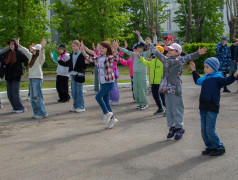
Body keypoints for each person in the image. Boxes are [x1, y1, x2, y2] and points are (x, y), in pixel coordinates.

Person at [147, 41, 207, 140]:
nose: (169, 51)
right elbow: (157, 53)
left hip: (175, 89)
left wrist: (198, 53)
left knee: (177, 108)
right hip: (166, 89)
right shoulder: (165, 60)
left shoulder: (180, 60)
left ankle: (179, 128)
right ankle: (172, 127)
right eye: (168, 50)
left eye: (171, 50)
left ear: (178, 52)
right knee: (169, 109)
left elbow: (189, 57)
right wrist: (149, 45)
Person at [189, 58, 238, 156]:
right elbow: (198, 81)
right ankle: (210, 146)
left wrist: (235, 74)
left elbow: (227, 81)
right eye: (204, 67)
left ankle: (219, 147)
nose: (205, 69)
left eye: (207, 67)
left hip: (212, 107)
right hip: (203, 107)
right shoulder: (206, 77)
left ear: (214, 68)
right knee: (204, 130)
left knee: (210, 130)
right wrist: (194, 70)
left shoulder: (218, 78)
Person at [81, 40, 119, 129]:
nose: (101, 49)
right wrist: (83, 50)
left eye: (103, 48)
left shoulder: (109, 57)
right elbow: (90, 58)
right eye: (100, 48)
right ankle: (112, 119)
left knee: (98, 97)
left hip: (109, 83)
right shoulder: (99, 58)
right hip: (103, 82)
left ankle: (106, 114)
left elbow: (116, 58)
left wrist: (116, 49)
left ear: (107, 49)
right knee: (106, 101)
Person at [17, 38, 48, 119]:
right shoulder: (31, 57)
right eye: (33, 49)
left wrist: (42, 47)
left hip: (37, 78)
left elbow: (42, 54)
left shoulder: (40, 58)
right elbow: (26, 51)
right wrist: (19, 45)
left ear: (38, 51)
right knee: (32, 97)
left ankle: (42, 113)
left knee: (37, 96)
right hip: (31, 78)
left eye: (34, 50)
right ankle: (36, 112)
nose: (32, 50)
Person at [120, 41, 152, 110]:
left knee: (142, 89)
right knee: (136, 89)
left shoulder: (146, 54)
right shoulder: (134, 54)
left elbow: (152, 49)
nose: (138, 49)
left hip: (142, 74)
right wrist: (119, 48)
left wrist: (149, 43)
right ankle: (140, 103)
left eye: (140, 47)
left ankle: (145, 103)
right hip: (135, 74)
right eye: (137, 47)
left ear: (143, 48)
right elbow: (127, 52)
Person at [58, 40, 87, 113]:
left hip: (79, 75)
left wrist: (82, 69)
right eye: (72, 46)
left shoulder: (82, 54)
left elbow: (85, 64)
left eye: (74, 46)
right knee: (73, 91)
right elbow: (67, 64)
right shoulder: (71, 55)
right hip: (73, 75)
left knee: (79, 91)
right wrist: (59, 61)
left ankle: (81, 106)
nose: (73, 48)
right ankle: (75, 105)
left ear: (78, 46)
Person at [0, 39, 28, 113]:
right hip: (8, 76)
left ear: (15, 45)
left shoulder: (19, 53)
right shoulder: (6, 54)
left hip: (16, 76)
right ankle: (15, 107)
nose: (11, 46)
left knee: (15, 93)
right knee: (9, 94)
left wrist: (20, 48)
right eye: (10, 44)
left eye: (12, 44)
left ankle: (20, 107)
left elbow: (26, 57)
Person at [136, 46, 166, 116]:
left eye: (155, 51)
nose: (153, 53)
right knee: (155, 96)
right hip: (153, 82)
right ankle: (160, 108)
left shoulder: (163, 61)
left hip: (161, 82)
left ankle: (168, 110)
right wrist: (140, 57)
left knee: (163, 97)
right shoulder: (153, 60)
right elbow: (146, 63)